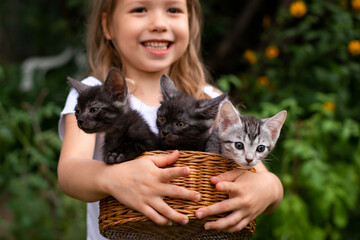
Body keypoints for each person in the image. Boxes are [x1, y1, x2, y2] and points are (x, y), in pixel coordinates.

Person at [57, 0, 284, 239]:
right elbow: (70, 172)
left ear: (191, 23)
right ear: (108, 26)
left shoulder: (210, 101)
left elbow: (263, 177)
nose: (158, 24)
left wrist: (269, 189)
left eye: (173, 10)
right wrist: (111, 178)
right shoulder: (92, 95)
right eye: (140, 9)